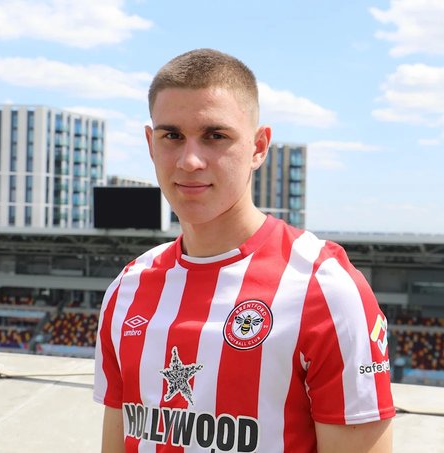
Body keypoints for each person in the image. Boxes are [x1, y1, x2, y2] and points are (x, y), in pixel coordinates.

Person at [94, 48, 395, 453]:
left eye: (215, 136)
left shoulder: (326, 289)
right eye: (172, 136)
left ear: (258, 147)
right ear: (151, 144)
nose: (190, 160)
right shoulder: (127, 289)